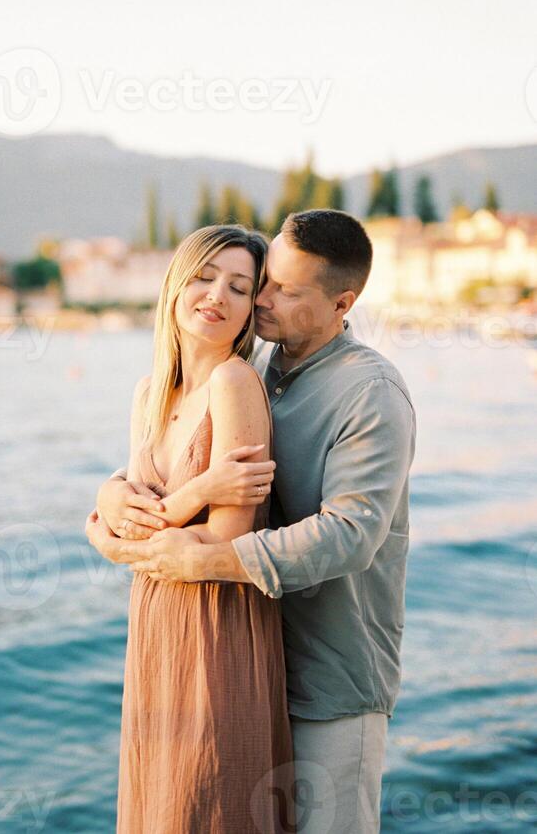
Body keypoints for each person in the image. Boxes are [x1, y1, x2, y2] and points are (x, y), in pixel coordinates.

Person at [87, 209, 416, 834]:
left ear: (341, 302)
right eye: (264, 281)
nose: (260, 298)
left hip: (329, 675)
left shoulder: (369, 390)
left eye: (283, 290)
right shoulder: (262, 369)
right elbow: (172, 463)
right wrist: (105, 501)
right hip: (250, 649)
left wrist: (206, 559)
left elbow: (352, 534)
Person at [87, 224, 294, 834]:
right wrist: (117, 504)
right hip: (154, 618)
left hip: (216, 620)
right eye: (204, 277)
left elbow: (224, 544)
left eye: (238, 286)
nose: (217, 295)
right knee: (161, 798)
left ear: (250, 309)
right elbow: (130, 518)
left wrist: (118, 531)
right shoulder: (150, 392)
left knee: (209, 802)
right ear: (176, 284)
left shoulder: (234, 383)